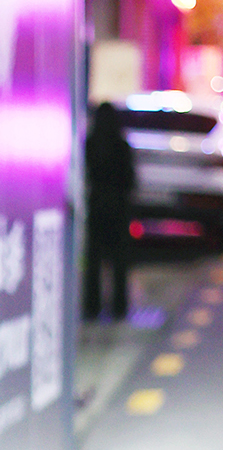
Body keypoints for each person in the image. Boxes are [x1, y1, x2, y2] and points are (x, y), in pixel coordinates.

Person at [82, 100, 135, 321]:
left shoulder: (90, 144)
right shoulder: (121, 145)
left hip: (97, 206)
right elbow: (130, 179)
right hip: (118, 208)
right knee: (119, 262)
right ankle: (119, 307)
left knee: (93, 260)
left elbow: (86, 176)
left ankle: (92, 306)